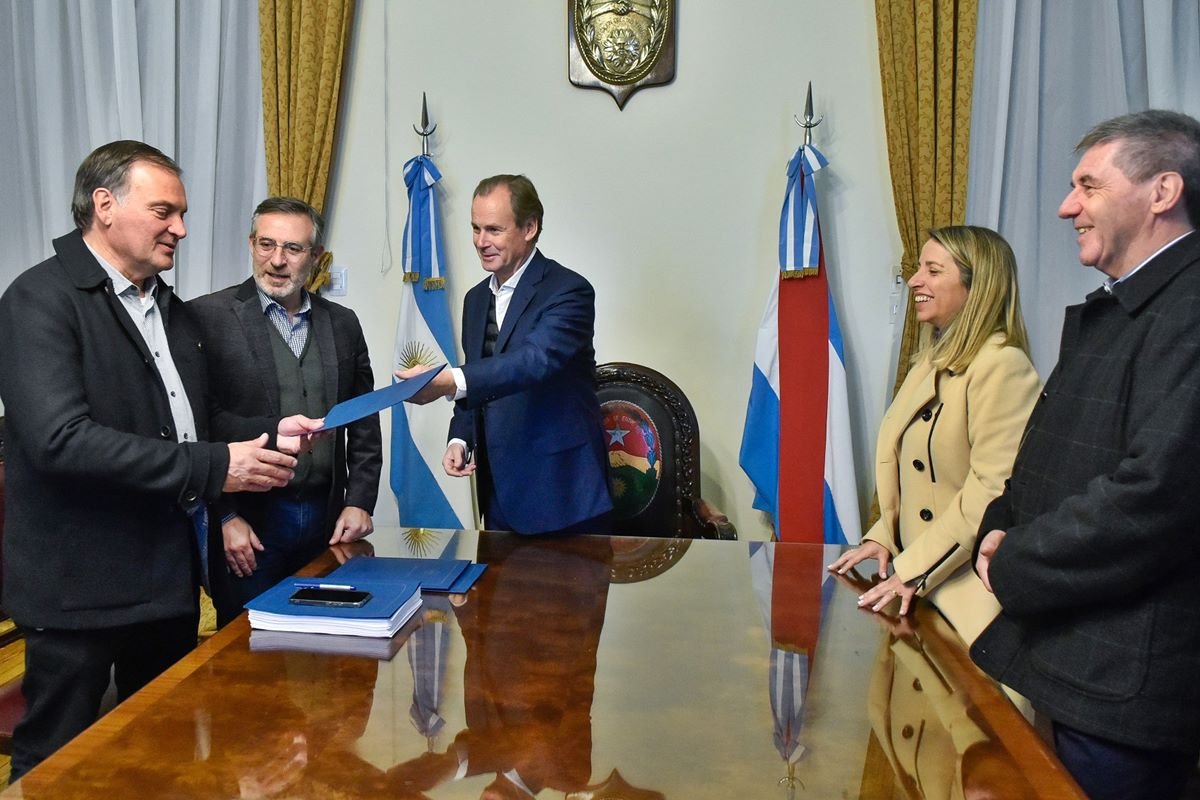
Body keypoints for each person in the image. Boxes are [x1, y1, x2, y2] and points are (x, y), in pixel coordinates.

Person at [0, 140, 322, 780]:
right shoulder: (38, 298)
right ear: (104, 205)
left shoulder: (167, 305)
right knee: (58, 766)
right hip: (80, 590)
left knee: (162, 756)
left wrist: (268, 433)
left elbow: (191, 421)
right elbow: (61, 440)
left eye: (182, 213)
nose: (180, 228)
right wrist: (214, 467)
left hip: (167, 581)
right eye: (164, 212)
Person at [970, 110, 1200, 800]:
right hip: (1075, 660)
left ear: (1162, 191)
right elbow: (1055, 456)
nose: (1068, 207)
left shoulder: (1189, 308)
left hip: (1122, 684)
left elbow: (1156, 495)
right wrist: (998, 523)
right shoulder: (1132, 305)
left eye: (1089, 186)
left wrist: (1013, 559)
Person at [829, 226, 1039, 645]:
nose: (914, 280)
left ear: (976, 285)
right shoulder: (930, 361)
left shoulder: (1003, 365)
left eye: (933, 270)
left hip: (967, 593)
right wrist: (884, 535)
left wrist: (914, 568)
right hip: (918, 578)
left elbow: (991, 493)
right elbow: (916, 478)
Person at [189, 197, 382, 624]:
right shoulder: (207, 317)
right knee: (247, 645)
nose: (277, 260)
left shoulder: (343, 323)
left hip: (327, 522)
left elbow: (363, 418)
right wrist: (224, 517)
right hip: (249, 528)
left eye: (293, 248)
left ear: (316, 257)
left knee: (326, 644)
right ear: (251, 244)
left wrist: (360, 501)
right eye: (266, 244)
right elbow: (197, 426)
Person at [397, 174, 612, 534]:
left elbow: (534, 360)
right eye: (476, 228)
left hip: (563, 495)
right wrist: (460, 436)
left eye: (494, 230)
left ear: (529, 228)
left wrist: (447, 381)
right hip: (498, 494)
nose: (481, 242)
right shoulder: (475, 299)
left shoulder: (569, 291)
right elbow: (479, 376)